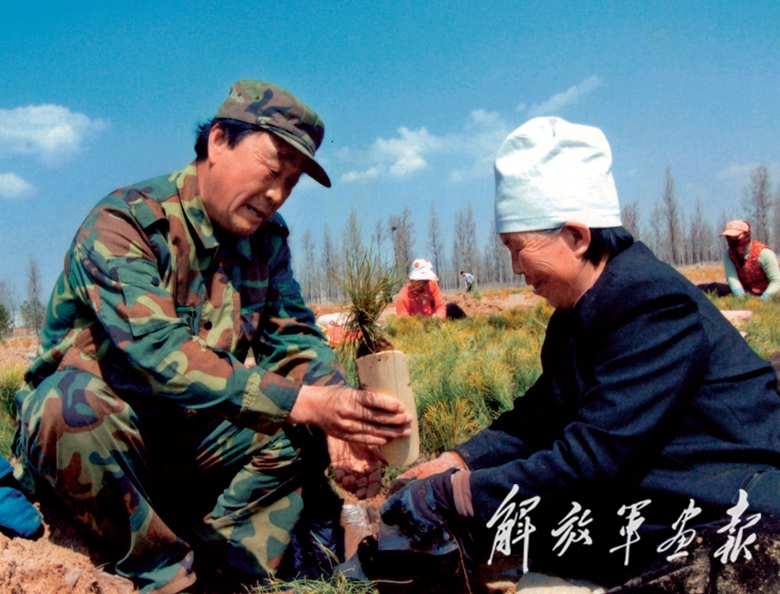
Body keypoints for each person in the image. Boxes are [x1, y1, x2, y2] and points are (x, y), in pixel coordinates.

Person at [12, 80, 411, 594]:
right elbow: (161, 353)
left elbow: (294, 339)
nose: (277, 194)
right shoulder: (126, 223)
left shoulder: (266, 241)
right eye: (272, 170)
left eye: (291, 183)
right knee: (69, 407)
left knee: (307, 421)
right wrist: (310, 403)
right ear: (219, 141)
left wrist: (341, 417)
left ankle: (226, 561)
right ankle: (161, 573)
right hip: (105, 445)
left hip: (190, 445)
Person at [380, 117, 780, 587]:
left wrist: (458, 495)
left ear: (577, 236)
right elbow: (542, 416)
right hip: (667, 496)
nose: (515, 267)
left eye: (518, 248)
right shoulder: (578, 311)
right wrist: (460, 461)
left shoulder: (652, 305)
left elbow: (593, 458)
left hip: (732, 509)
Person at [701, 220, 780, 299]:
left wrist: (764, 298)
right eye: (729, 238)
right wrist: (740, 295)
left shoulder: (764, 253)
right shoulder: (728, 253)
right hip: (743, 290)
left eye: (737, 237)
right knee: (709, 288)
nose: (733, 241)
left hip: (765, 292)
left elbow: (776, 281)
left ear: (747, 235)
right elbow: (732, 277)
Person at [395, 259, 467, 320]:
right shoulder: (403, 297)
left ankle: (470, 324)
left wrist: (438, 318)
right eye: (421, 280)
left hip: (434, 319)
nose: (424, 283)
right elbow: (404, 322)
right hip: (418, 326)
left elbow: (440, 305)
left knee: (453, 307)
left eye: (427, 280)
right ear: (413, 279)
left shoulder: (431, 284)